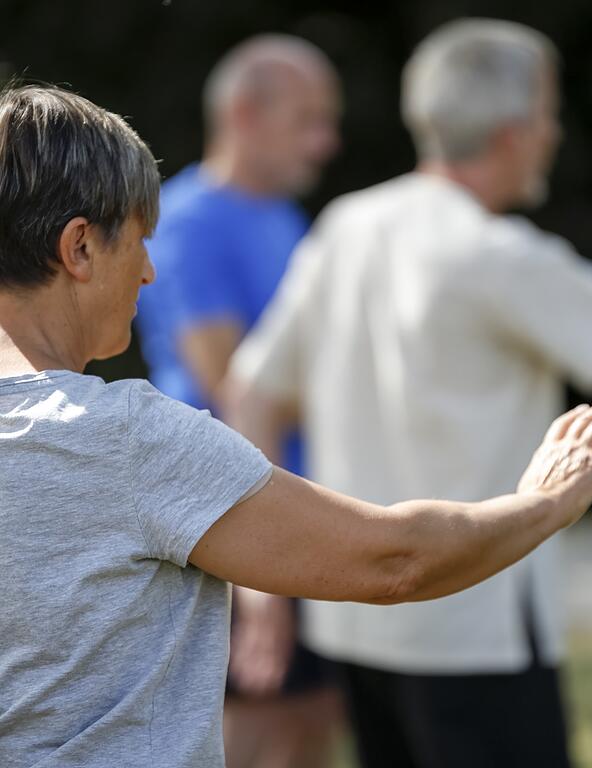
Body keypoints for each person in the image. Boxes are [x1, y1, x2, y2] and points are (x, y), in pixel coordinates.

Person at [0, 84, 592, 768]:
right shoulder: (128, 440)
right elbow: (396, 561)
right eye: (137, 241)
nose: (151, 271)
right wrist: (544, 503)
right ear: (78, 248)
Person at [226, 20, 592, 768]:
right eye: (548, 115)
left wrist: (264, 581)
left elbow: (252, 394)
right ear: (514, 132)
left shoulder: (346, 228)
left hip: (356, 625)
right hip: (476, 626)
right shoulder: (499, 254)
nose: (553, 135)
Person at [135, 36, 342, 768]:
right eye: (308, 119)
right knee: (257, 737)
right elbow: (234, 388)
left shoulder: (286, 218)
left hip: (300, 502)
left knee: (315, 721)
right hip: (230, 516)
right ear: (245, 114)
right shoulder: (188, 219)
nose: (326, 142)